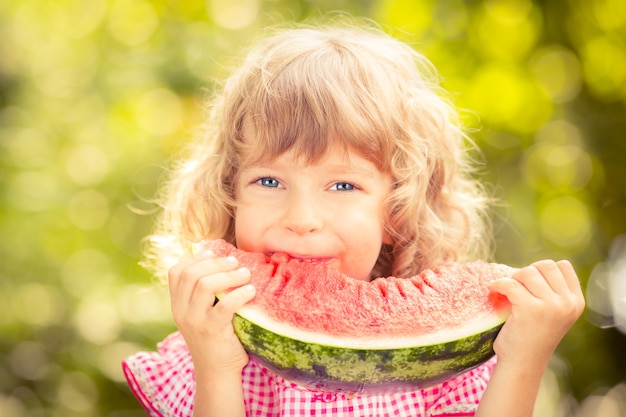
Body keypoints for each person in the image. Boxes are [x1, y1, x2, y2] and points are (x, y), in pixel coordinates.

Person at [122, 17, 585, 417]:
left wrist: (523, 361)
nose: (301, 218)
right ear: (229, 194)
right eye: (268, 181)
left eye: (343, 186)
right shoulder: (201, 348)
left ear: (399, 211)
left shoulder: (445, 365)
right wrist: (217, 367)